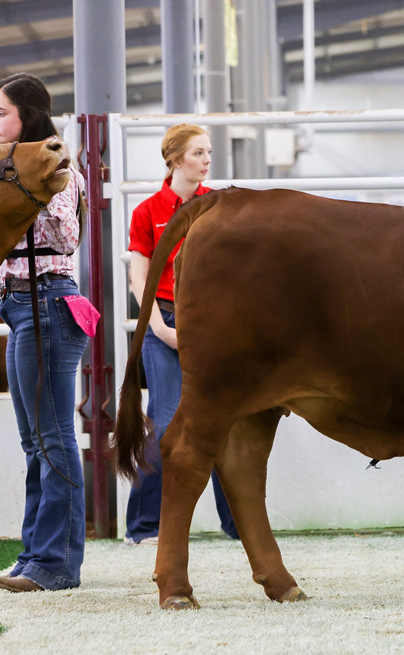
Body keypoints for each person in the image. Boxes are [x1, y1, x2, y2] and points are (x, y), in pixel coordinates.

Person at [124, 123, 238, 545]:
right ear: (175, 160)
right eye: (198, 153)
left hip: (213, 324)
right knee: (167, 418)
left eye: (208, 153)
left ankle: (237, 523)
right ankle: (144, 527)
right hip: (165, 318)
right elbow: (140, 273)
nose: (207, 161)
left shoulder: (220, 206)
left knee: (225, 416)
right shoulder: (149, 211)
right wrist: (158, 326)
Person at [0, 73, 89, 592]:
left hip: (50, 301)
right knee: (35, 440)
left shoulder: (60, 171)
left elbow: (65, 237)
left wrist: (32, 189)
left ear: (28, 118)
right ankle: (36, 556)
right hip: (18, 307)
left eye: (3, 114)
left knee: (53, 437)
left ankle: (56, 564)